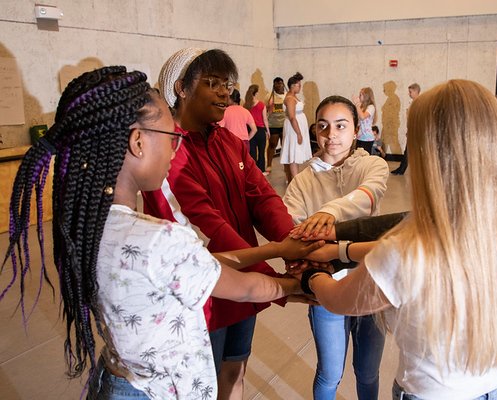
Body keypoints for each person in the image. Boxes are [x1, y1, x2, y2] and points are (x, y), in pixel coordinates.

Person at [0, 66, 325, 400]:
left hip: (117, 381)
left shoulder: (87, 227)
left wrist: (276, 249)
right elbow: (243, 288)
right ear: (138, 142)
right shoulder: (156, 238)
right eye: (172, 138)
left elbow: (197, 261)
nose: (175, 150)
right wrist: (300, 284)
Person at [295, 80, 497, 400]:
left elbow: (339, 299)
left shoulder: (406, 251)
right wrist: (340, 247)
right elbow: (406, 235)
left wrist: (312, 275)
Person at [142, 48, 298, 399]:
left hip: (245, 285)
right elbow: (206, 230)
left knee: (235, 371)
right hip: (205, 293)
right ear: (181, 88)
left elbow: (262, 196)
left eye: (228, 84)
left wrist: (295, 244)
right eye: (213, 83)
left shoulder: (229, 142)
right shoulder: (169, 153)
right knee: (202, 385)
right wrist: (280, 279)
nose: (226, 92)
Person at [283, 96, 389, 400]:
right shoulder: (302, 182)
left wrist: (327, 214)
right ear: (316, 132)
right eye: (324, 126)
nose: (332, 135)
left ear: (356, 130)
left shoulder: (373, 165)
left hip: (372, 285)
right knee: (330, 374)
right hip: (326, 289)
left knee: (367, 372)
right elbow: (293, 234)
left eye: (341, 126)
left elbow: (368, 195)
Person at [280, 72, 312, 183]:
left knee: (297, 153)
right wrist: (298, 133)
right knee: (293, 153)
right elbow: (292, 117)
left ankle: (295, 178)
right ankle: (295, 181)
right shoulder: (289, 98)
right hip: (293, 128)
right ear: (293, 85)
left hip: (298, 126)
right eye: (299, 85)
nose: (300, 87)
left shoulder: (294, 97)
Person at [391, 83, 420, 175]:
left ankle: (402, 169)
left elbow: (416, 118)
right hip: (412, 130)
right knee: (407, 151)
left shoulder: (418, 103)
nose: (409, 94)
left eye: (410, 92)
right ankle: (401, 169)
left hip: (415, 131)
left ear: (416, 91)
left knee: (410, 151)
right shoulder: (414, 102)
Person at [244, 84, 270, 173]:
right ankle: (261, 170)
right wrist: (268, 130)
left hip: (250, 129)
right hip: (260, 130)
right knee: (261, 152)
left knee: (252, 152)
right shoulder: (261, 105)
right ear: (256, 93)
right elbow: (265, 119)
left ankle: (253, 171)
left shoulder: (246, 105)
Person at [266, 77, 286, 173]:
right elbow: (265, 111)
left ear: (283, 84)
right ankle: (269, 164)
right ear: (274, 85)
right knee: (272, 144)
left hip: (285, 125)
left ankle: (286, 166)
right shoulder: (269, 96)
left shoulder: (287, 96)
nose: (279, 85)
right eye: (277, 83)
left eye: (281, 83)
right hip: (273, 125)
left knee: (285, 146)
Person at [352, 87, 377, 154]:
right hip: (360, 136)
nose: (359, 96)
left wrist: (357, 104)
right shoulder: (361, 107)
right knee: (357, 156)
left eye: (361, 94)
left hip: (367, 137)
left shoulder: (371, 107)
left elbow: (363, 117)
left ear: (366, 96)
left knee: (365, 158)